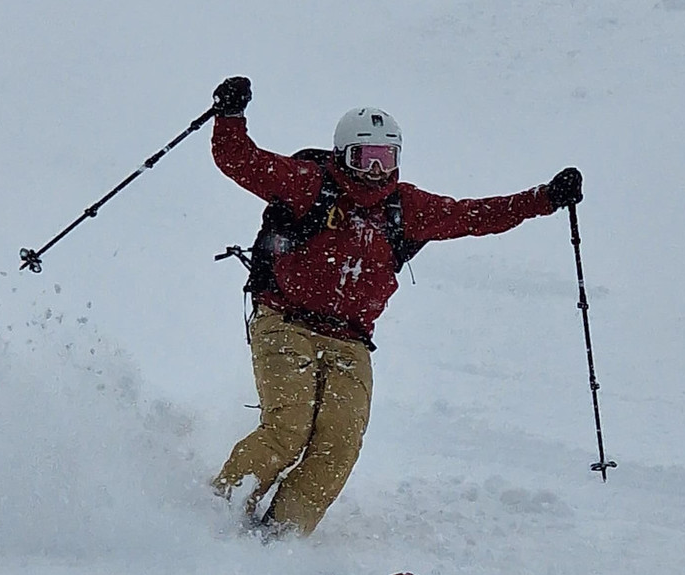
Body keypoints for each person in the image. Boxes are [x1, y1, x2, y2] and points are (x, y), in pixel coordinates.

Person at [208, 76, 583, 537]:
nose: (376, 172)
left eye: (386, 159)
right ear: (344, 155)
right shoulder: (310, 185)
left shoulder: (404, 208)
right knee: (289, 429)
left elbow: (473, 216)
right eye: (365, 159)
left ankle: (280, 537)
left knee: (339, 445)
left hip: (350, 340)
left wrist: (543, 199)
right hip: (286, 321)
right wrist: (230, 115)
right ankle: (213, 515)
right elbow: (241, 162)